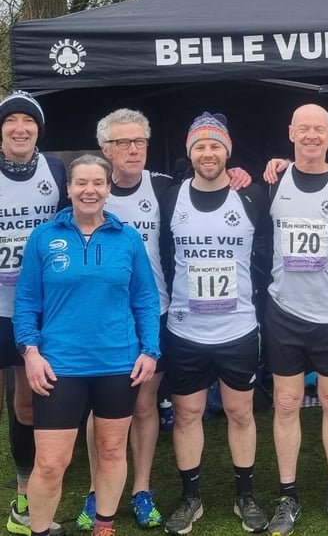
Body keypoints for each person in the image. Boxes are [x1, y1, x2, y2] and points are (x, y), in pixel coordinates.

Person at [74, 109, 252, 531]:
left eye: (140, 141)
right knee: (100, 407)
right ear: (105, 149)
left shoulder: (163, 188)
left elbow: (209, 179)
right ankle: (97, 490)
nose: (133, 149)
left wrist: (241, 172)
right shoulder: (91, 189)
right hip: (100, 317)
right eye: (122, 142)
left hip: (153, 312)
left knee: (144, 403)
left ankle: (141, 489)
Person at [13, 154, 160, 536]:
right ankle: (39, 530)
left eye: (98, 183)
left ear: (109, 189)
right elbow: (26, 302)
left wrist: (150, 350)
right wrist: (30, 352)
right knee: (50, 463)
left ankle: (103, 527)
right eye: (81, 182)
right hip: (59, 365)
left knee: (111, 451)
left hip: (117, 364)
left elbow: (146, 299)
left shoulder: (127, 238)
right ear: (69, 188)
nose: (89, 190)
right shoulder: (44, 237)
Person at [160, 112, 269, 536]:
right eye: (200, 146)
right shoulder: (172, 196)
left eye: (215, 145)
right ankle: (191, 497)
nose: (208, 153)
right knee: (187, 414)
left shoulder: (251, 195)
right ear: (190, 153)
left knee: (240, 412)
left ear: (228, 151)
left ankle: (246, 495)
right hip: (185, 330)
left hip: (237, 329)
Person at [263, 104, 328, 535]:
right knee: (287, 403)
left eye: (319, 129)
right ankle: (287, 496)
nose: (311, 135)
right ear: (291, 132)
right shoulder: (272, 180)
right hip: (284, 312)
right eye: (304, 128)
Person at [0, 91, 67, 536]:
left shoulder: (56, 169)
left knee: (26, 402)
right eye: (11, 121)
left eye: (28, 121)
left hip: (36, 309)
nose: (20, 128)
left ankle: (24, 498)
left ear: (39, 129)